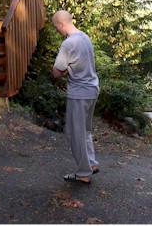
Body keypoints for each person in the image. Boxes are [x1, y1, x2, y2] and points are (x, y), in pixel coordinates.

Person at [51, 10, 100, 185]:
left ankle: (83, 173)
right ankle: (91, 164)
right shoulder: (84, 37)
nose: (57, 30)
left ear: (61, 24)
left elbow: (56, 72)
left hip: (79, 93)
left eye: (56, 27)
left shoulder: (68, 43)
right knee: (85, 130)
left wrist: (64, 71)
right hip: (92, 89)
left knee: (74, 133)